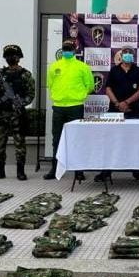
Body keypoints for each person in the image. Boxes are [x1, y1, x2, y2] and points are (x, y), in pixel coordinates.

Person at [42, 39, 94, 182]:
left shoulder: (82, 67)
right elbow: (50, 85)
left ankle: (79, 171)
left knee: (77, 139)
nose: (67, 51)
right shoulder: (54, 66)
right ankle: (55, 168)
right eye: (65, 49)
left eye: (69, 49)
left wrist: (79, 96)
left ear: (75, 51)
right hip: (59, 107)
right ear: (62, 51)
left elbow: (89, 86)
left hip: (76, 106)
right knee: (57, 139)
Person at [0, 44, 36, 181]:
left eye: (13, 56)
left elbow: (31, 94)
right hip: (1, 112)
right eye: (8, 56)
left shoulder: (25, 75)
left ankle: (20, 171)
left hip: (17, 113)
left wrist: (21, 103)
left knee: (19, 143)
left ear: (19, 57)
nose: (10, 58)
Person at [97, 47, 139, 182]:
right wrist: (118, 103)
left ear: (134, 56)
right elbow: (107, 89)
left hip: (133, 111)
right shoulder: (114, 70)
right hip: (114, 111)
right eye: (126, 54)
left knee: (134, 142)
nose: (128, 56)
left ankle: (136, 171)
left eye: (130, 54)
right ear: (121, 56)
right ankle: (105, 171)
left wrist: (126, 102)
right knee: (111, 141)